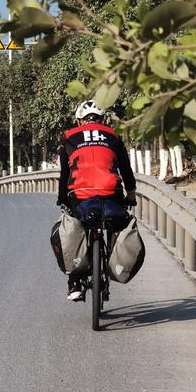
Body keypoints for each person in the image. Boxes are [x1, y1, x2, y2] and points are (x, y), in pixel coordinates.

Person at [57, 100, 137, 301]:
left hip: (80, 194)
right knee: (115, 224)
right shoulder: (114, 137)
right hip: (111, 193)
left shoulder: (67, 137)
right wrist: (132, 194)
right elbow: (125, 169)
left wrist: (62, 199)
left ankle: (74, 283)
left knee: (76, 227)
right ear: (103, 119)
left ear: (78, 120)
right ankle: (113, 261)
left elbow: (65, 173)